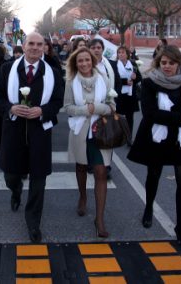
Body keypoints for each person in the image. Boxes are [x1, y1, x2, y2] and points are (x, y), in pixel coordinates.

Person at [127, 45, 181, 251]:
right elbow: (150, 114)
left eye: (171, 63)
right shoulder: (150, 82)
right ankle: (149, 207)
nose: (167, 66)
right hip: (157, 137)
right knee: (154, 174)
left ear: (179, 63)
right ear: (158, 63)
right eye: (163, 63)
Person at [0, 32, 64, 243]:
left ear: (44, 47)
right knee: (11, 175)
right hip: (13, 131)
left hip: (40, 133)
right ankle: (15, 191)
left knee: (38, 180)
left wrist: (42, 111)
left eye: (39, 44)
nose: (34, 47)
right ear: (23, 46)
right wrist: (10, 107)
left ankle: (33, 222)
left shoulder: (52, 72)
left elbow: (57, 102)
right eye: (30, 43)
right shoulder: (7, 69)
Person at [63, 47, 116, 237]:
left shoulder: (104, 79)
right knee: (81, 166)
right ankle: (83, 196)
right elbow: (67, 108)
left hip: (101, 131)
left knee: (101, 172)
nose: (84, 64)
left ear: (92, 61)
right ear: (75, 64)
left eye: (87, 60)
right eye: (80, 61)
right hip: (80, 130)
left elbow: (112, 106)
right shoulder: (71, 82)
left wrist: (98, 108)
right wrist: (86, 110)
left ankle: (99, 219)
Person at [89, 39, 121, 178]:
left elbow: (117, 82)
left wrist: (113, 99)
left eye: (99, 47)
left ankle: (106, 167)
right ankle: (92, 163)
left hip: (108, 105)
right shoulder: (85, 63)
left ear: (103, 49)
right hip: (90, 107)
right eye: (94, 47)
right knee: (92, 136)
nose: (96, 50)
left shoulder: (110, 65)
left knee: (108, 135)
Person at [116, 46, 142, 136]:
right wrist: (124, 82)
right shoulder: (115, 65)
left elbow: (139, 78)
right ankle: (119, 134)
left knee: (130, 117)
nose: (121, 54)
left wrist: (135, 78)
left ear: (127, 54)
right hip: (119, 95)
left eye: (123, 52)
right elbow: (114, 80)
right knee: (118, 116)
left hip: (130, 95)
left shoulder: (133, 64)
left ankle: (129, 135)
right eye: (119, 53)